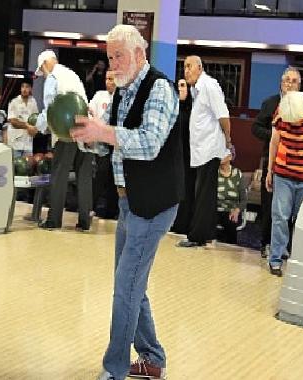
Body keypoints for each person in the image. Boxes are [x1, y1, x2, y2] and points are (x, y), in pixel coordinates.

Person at [72, 24, 181, 380]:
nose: (112, 64)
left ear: (139, 53)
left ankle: (114, 370)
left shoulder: (160, 89)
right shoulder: (123, 91)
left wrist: (103, 131)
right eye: (109, 58)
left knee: (125, 288)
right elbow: (113, 143)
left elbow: (149, 144)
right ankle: (152, 358)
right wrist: (88, 135)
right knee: (131, 284)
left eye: (118, 56)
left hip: (153, 204)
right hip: (128, 202)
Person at [265, 91, 303, 276]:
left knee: (302, 222)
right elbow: (274, 143)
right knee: (279, 217)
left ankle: (300, 261)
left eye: (298, 121)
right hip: (283, 173)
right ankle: (275, 260)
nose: (295, 124)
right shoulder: (280, 114)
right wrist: (270, 171)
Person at [34, 49, 94, 231]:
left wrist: (37, 127)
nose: (43, 75)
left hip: (66, 132)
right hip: (85, 129)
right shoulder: (72, 74)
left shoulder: (53, 78)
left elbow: (51, 109)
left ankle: (54, 220)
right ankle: (84, 222)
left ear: (45, 64)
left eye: (41, 71)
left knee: (59, 174)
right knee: (84, 177)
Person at [177, 55, 232, 248]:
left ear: (200, 68)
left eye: (190, 66)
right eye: (184, 67)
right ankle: (207, 234)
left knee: (202, 194)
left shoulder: (209, 85)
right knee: (205, 194)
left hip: (209, 149)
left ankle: (196, 236)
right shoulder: (196, 90)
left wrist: (228, 140)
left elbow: (223, 115)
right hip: (200, 150)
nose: (186, 70)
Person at [251, 67, 301, 258]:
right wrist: (274, 136)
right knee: (270, 206)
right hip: (272, 162)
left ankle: (283, 247)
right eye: (286, 80)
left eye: (293, 81)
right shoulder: (270, 103)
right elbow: (256, 128)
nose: (289, 83)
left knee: (288, 209)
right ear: (281, 83)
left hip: (294, 164)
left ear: (299, 85)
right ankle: (266, 244)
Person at [89, 70, 118, 219]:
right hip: (100, 145)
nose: (109, 82)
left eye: (112, 79)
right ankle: (92, 207)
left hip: (116, 143)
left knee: (114, 179)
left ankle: (112, 211)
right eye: (107, 79)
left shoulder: (122, 96)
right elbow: (90, 111)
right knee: (99, 177)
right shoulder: (99, 95)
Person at [170, 78, 196, 234]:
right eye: (178, 86)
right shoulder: (171, 110)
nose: (180, 89)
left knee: (185, 191)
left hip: (187, 158)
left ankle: (183, 224)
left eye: (183, 86)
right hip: (172, 158)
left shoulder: (193, 111)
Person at [216, 150, 246, 244]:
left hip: (232, 210)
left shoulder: (237, 173)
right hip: (215, 209)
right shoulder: (213, 172)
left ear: (230, 156)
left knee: (231, 222)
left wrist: (237, 210)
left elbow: (244, 199)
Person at [7, 80, 39, 158]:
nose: (24, 89)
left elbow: (36, 119)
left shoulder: (33, 102)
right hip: (15, 143)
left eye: (27, 87)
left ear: (31, 89)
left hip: (28, 143)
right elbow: (13, 121)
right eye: (22, 87)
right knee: (14, 167)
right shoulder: (14, 102)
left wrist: (35, 129)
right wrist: (28, 126)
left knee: (27, 168)